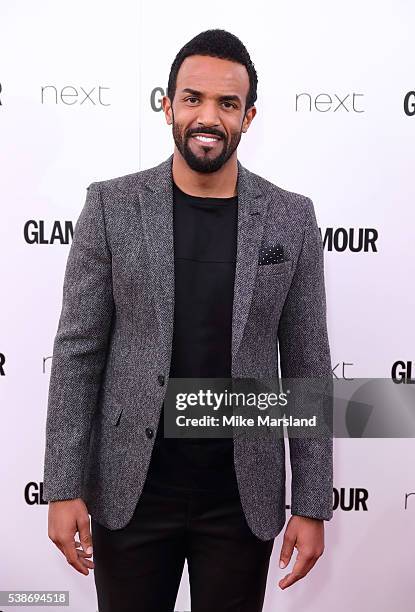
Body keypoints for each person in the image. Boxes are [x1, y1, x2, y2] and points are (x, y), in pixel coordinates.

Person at [43, 28, 333, 612]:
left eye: (227, 104)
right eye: (193, 98)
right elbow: (78, 353)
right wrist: (63, 486)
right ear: (168, 104)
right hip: (131, 489)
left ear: (248, 117)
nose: (209, 116)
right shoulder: (110, 207)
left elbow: (306, 363)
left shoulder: (289, 217)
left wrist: (311, 501)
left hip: (239, 497)